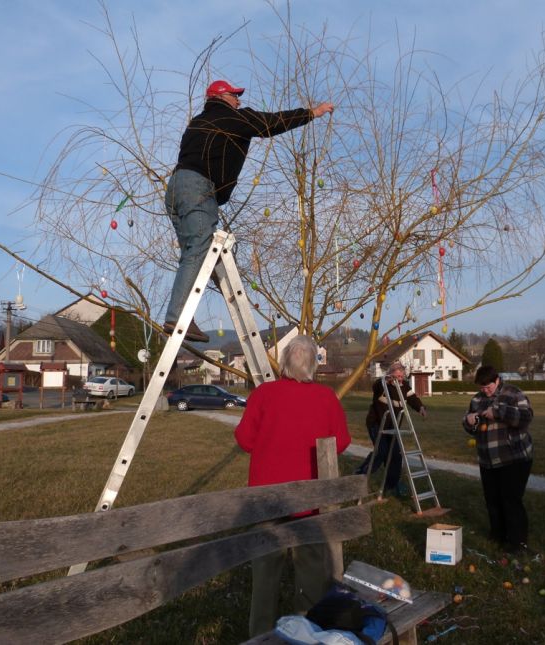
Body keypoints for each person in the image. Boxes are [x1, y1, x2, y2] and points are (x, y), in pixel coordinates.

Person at [164, 80, 334, 341]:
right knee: (198, 250)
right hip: (198, 188)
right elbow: (271, 123)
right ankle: (178, 318)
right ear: (221, 97)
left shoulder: (196, 123)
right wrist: (311, 113)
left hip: (176, 189)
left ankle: (183, 315)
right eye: (235, 95)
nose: (239, 100)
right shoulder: (232, 118)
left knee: (193, 254)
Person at [234, 335, 351, 637]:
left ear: (285, 363)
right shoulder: (326, 398)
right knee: (312, 572)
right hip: (310, 501)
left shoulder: (263, 394)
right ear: (313, 366)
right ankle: (307, 631)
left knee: (265, 574)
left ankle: (260, 635)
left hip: (266, 500)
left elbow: (245, 440)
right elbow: (342, 441)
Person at [462, 366, 534, 552]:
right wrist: (470, 421)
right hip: (488, 460)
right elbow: (471, 426)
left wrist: (499, 412)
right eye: (482, 387)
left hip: (514, 458)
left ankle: (517, 542)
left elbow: (526, 417)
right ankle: (498, 535)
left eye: (488, 387)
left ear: (497, 380)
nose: (485, 390)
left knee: (511, 500)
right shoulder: (477, 399)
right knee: (492, 500)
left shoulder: (513, 393)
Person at [355, 361, 426, 495]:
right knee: (381, 451)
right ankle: (361, 473)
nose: (399, 379)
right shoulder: (382, 385)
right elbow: (375, 386)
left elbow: (413, 399)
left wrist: (421, 408)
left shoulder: (404, 386)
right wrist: (386, 380)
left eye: (401, 376)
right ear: (390, 375)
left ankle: (392, 485)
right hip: (377, 424)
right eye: (396, 376)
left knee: (396, 456)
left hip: (393, 426)